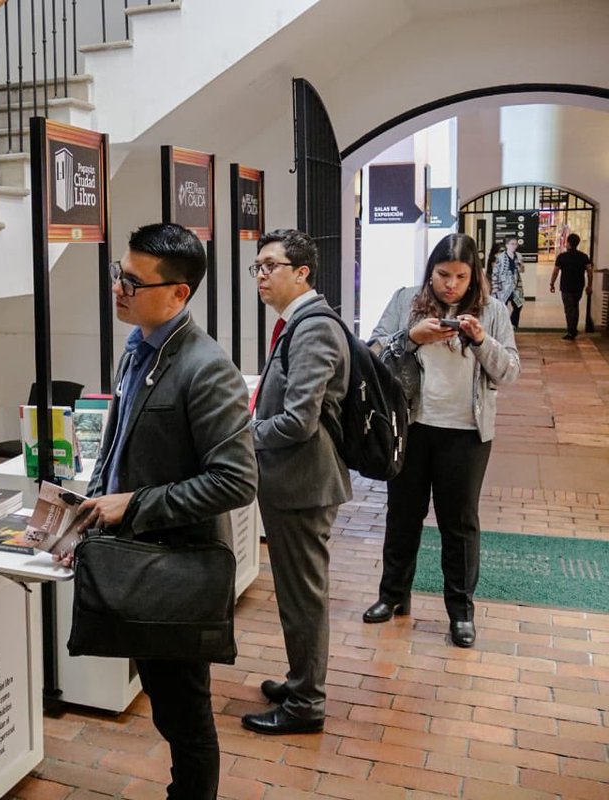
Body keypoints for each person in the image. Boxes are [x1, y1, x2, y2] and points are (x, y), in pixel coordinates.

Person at [74, 223, 257, 798]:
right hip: (140, 558)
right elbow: (122, 440)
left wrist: (135, 505)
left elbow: (235, 481)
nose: (119, 289)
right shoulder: (139, 349)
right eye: (117, 275)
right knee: (170, 706)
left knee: (186, 718)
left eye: (132, 280)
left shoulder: (206, 368)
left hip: (177, 568)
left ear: (179, 293)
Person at [363, 233, 520, 648]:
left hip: (467, 433)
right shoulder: (405, 300)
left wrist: (481, 341)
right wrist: (412, 338)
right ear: (430, 272)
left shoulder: (492, 312)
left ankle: (461, 613)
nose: (450, 285)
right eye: (442, 274)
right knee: (402, 515)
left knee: (459, 523)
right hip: (412, 427)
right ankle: (392, 596)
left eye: (461, 276)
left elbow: (509, 372)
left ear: (474, 277)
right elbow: (373, 355)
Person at [242, 230, 351, 736]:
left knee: (304, 597)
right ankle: (299, 679)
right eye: (257, 267)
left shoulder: (313, 328)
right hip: (293, 479)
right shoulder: (297, 324)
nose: (260, 276)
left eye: (270, 266)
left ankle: (306, 704)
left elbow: (298, 422)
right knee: (294, 593)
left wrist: (242, 432)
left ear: (301, 272)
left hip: (304, 482)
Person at [550, 233, 594, 340]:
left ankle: (571, 331)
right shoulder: (584, 256)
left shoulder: (562, 257)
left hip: (566, 287)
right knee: (575, 307)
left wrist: (552, 283)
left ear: (568, 243)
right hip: (579, 286)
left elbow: (555, 271)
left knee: (569, 309)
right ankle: (573, 328)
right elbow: (589, 272)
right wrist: (589, 285)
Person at [489, 235, 524, 328]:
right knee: (502, 306)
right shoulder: (499, 257)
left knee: (518, 305)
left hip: (516, 285)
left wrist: (520, 265)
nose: (514, 246)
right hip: (503, 285)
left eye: (516, 244)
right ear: (507, 245)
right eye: (512, 244)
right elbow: (495, 273)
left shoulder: (518, 256)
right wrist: (495, 287)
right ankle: (502, 325)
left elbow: (522, 270)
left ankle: (513, 324)